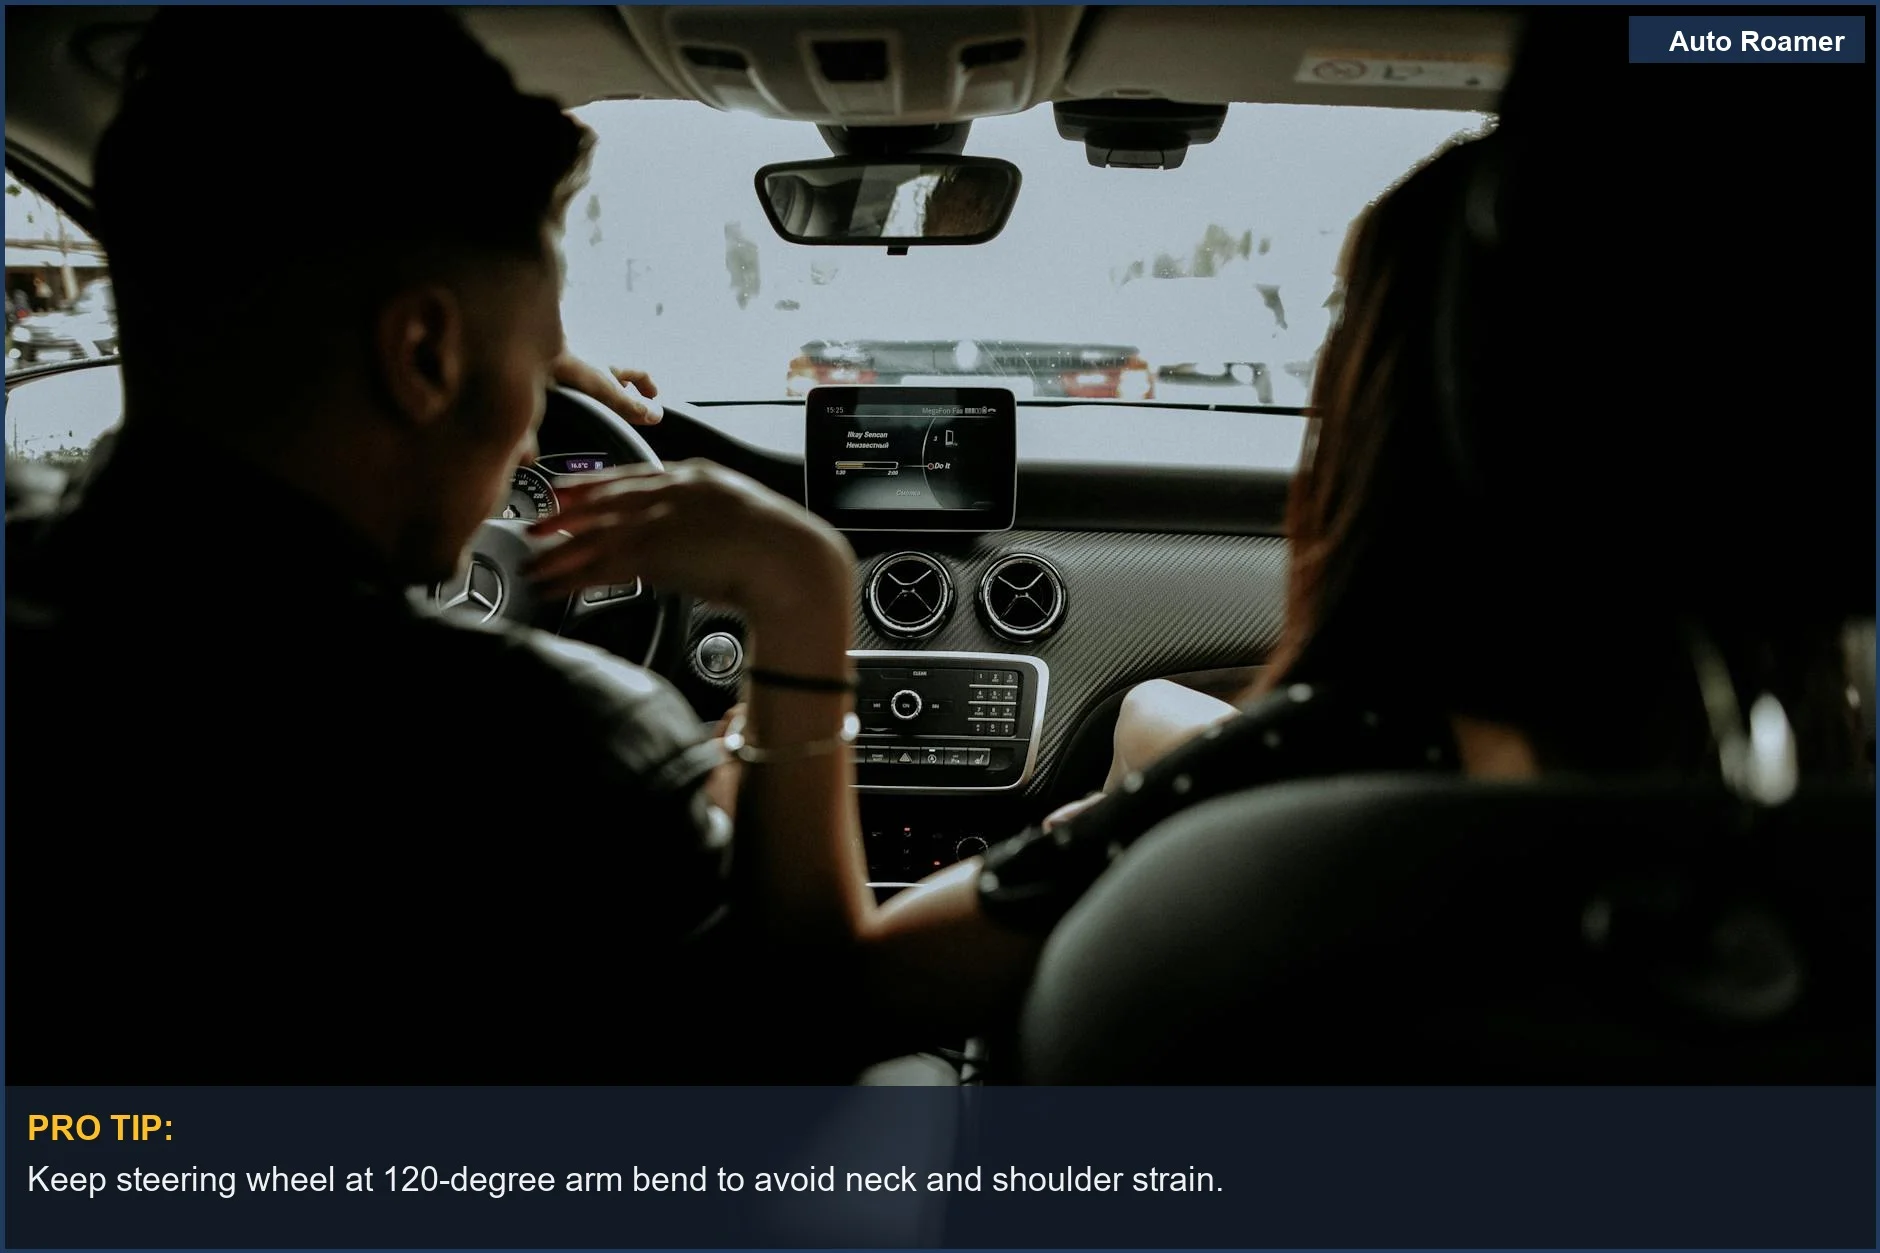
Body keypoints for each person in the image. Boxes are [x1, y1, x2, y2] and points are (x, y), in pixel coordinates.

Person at [540, 115, 1867, 1046]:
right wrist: (1161, 734)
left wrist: (798, 597)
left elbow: (830, 999)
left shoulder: (1293, 774)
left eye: (1348, 323)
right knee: (1148, 711)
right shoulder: (1821, 794)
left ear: (1396, 420)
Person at [6, 8, 863, 1083]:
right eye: (541, 351)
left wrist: (490, 348)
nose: (530, 425)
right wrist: (803, 593)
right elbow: (803, 1048)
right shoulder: (564, 754)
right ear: (420, 351)